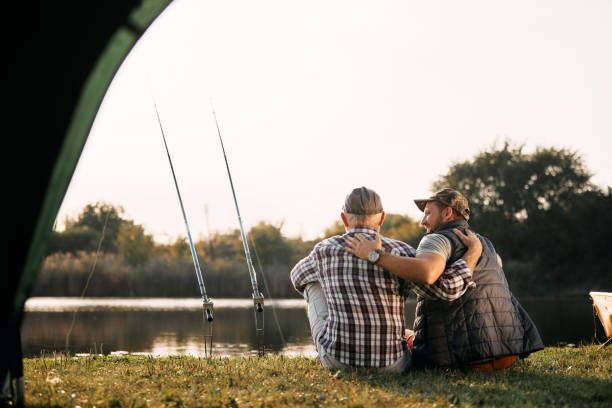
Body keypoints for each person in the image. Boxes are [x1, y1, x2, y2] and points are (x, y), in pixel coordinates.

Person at [346, 188, 544, 370]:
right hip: (506, 355)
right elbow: (496, 267)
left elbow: (427, 273)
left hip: (462, 360)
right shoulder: (486, 244)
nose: (422, 221)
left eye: (428, 213)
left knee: (402, 335)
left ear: (447, 213)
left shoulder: (436, 239)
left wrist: (376, 255)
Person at [290, 187, 483, 372]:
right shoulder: (402, 252)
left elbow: (297, 277)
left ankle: (336, 340)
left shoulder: (324, 250)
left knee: (310, 282)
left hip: (337, 361)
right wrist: (473, 255)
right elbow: (445, 290)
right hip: (394, 364)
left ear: (343, 219)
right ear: (382, 217)